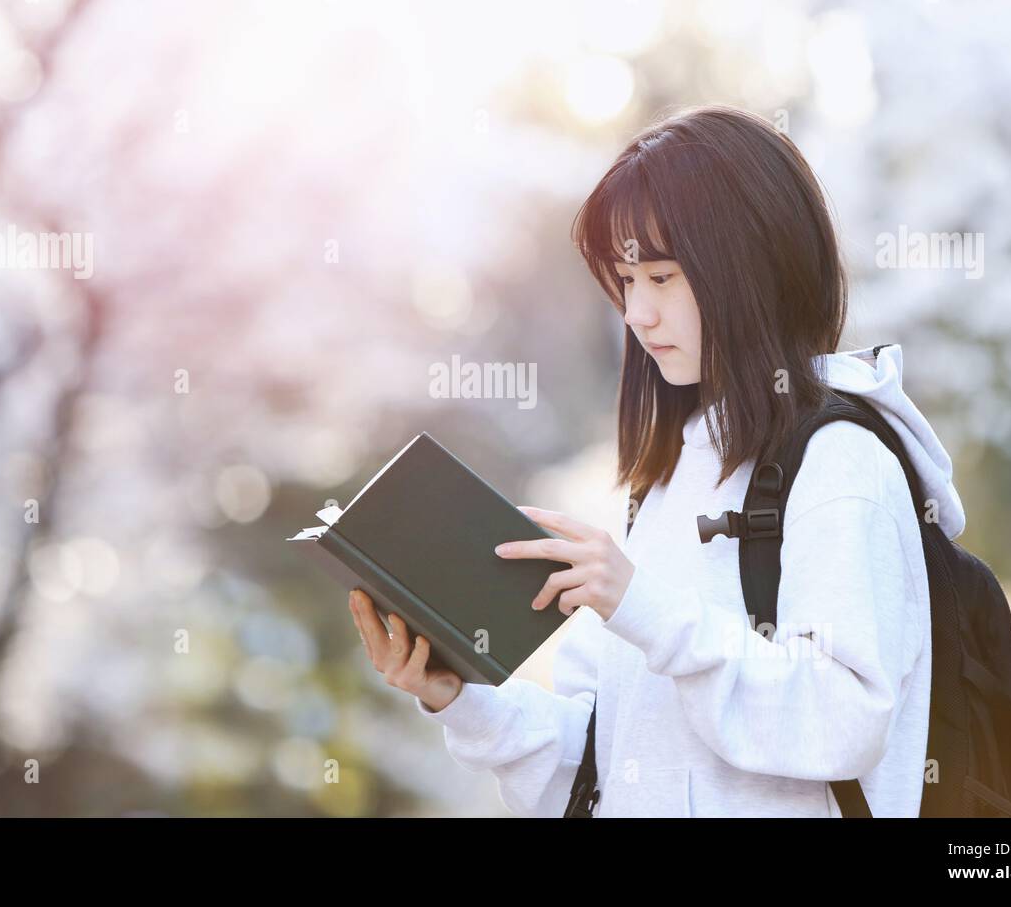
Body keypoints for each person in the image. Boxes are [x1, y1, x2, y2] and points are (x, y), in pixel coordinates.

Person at [349, 104, 963, 816]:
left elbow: (843, 722)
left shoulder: (841, 467)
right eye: (626, 282)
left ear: (751, 269)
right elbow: (602, 766)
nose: (637, 313)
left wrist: (640, 605)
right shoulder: (671, 480)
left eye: (662, 278)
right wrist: (460, 699)